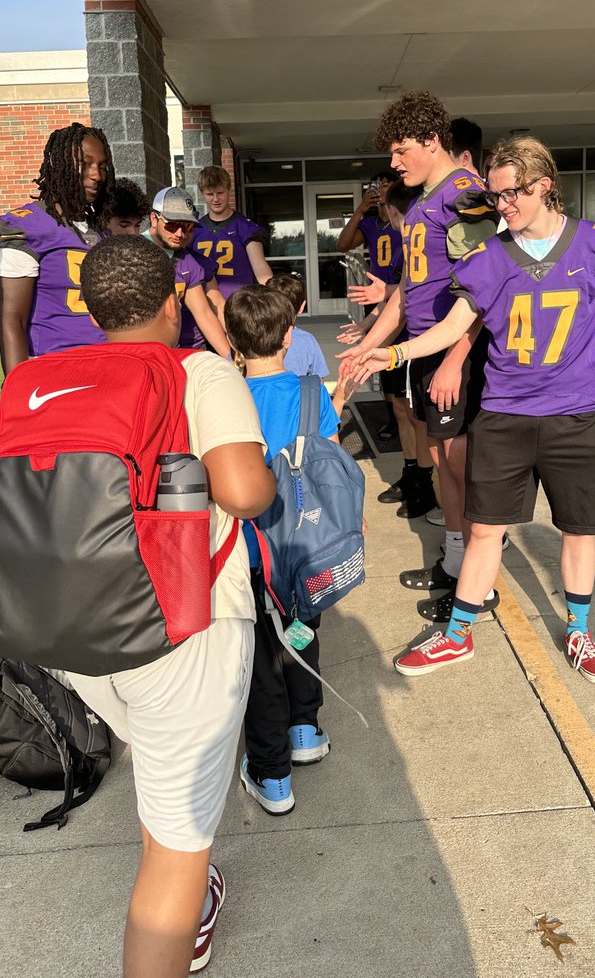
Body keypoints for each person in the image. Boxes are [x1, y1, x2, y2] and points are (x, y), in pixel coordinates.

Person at [347, 136, 595, 683]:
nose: (502, 205)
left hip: (576, 414)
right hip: (504, 414)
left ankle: (580, 631)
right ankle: (457, 636)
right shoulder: (488, 257)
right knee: (485, 529)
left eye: (511, 193)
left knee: (579, 530)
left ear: (544, 186)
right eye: (495, 197)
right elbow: (453, 327)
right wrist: (393, 353)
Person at [71, 233, 275, 978]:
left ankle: (194, 896)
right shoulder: (199, 371)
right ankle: (181, 917)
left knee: (161, 786)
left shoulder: (58, 374)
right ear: (171, 304)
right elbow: (244, 494)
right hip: (180, 627)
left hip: (76, 627)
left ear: (92, 311)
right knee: (176, 853)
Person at [338, 92, 499, 596]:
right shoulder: (423, 200)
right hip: (427, 349)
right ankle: (455, 560)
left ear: (432, 141)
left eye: (401, 149)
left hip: (459, 352)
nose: (394, 162)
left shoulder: (465, 194)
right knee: (441, 456)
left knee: (460, 462)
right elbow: (408, 293)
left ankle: (477, 579)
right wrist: (369, 343)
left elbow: (486, 289)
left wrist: (455, 359)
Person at [224, 285, 341, 816]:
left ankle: (271, 773)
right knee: (302, 632)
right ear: (290, 337)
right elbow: (332, 469)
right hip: (303, 547)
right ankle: (305, 730)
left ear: (232, 341)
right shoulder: (313, 394)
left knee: (260, 662)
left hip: (247, 553)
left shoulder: (225, 398)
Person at [0, 122, 115, 374]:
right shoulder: (26, 227)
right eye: (85, 164)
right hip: (55, 368)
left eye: (102, 166)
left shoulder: (101, 230)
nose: (97, 175)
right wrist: (18, 387)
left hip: (107, 363)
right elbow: (11, 322)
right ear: (60, 164)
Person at [342, 180, 437, 520]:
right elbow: (394, 300)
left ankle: (425, 481)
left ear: (395, 209)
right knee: (400, 408)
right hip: (395, 338)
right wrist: (366, 327)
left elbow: (402, 298)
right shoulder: (402, 247)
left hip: (419, 339)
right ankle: (411, 472)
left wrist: (381, 304)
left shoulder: (425, 242)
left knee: (417, 414)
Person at [336, 173, 403, 440]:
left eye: (386, 186)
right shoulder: (370, 223)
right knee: (379, 360)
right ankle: (393, 416)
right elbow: (342, 244)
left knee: (398, 356)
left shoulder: (403, 220)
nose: (381, 191)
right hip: (376, 298)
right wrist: (360, 209)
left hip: (399, 294)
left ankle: (403, 412)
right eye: (377, 187)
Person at [145, 187, 230, 356]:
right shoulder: (130, 252)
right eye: (172, 225)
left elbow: (204, 313)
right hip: (141, 353)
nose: (180, 233)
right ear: (154, 219)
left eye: (187, 227)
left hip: (184, 352)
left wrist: (232, 360)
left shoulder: (189, 261)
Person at [190, 165, 272, 296]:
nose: (215, 199)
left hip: (239, 303)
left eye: (220, 193)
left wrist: (273, 298)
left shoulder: (246, 229)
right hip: (203, 303)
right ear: (202, 194)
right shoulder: (193, 230)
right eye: (210, 194)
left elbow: (261, 270)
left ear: (229, 190)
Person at [267, 272, 329, 378]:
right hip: (298, 389)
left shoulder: (254, 335)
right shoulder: (307, 340)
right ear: (302, 307)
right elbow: (317, 381)